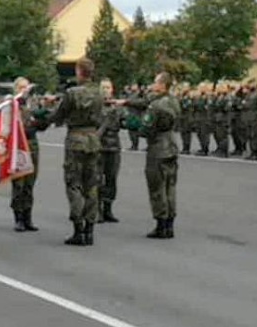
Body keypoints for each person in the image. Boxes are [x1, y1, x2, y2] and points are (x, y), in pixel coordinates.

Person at [47, 58, 103, 246]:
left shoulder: (72, 93)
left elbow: (59, 115)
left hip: (76, 139)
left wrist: (44, 120)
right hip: (93, 139)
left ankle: (78, 228)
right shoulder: (99, 93)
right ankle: (90, 228)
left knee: (74, 183)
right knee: (92, 185)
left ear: (79, 71)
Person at [127, 72, 180, 238]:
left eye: (155, 82)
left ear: (162, 85)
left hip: (158, 148)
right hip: (171, 145)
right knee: (170, 187)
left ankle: (161, 224)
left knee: (157, 187)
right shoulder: (173, 101)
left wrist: (133, 124)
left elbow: (146, 129)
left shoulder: (155, 106)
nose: (152, 85)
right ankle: (170, 223)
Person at [11, 77, 48, 232]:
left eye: (26, 87)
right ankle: (18, 217)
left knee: (30, 183)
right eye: (21, 87)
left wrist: (44, 114)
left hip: (32, 143)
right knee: (19, 183)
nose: (24, 90)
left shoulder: (32, 104)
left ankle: (28, 217)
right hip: (18, 144)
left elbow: (41, 126)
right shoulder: (12, 105)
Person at [97, 78, 125, 223]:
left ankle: (108, 208)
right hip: (99, 146)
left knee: (111, 178)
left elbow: (124, 122)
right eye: (103, 87)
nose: (106, 90)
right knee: (97, 179)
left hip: (114, 146)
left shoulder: (117, 107)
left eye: (108, 87)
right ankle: (97, 210)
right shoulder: (95, 106)